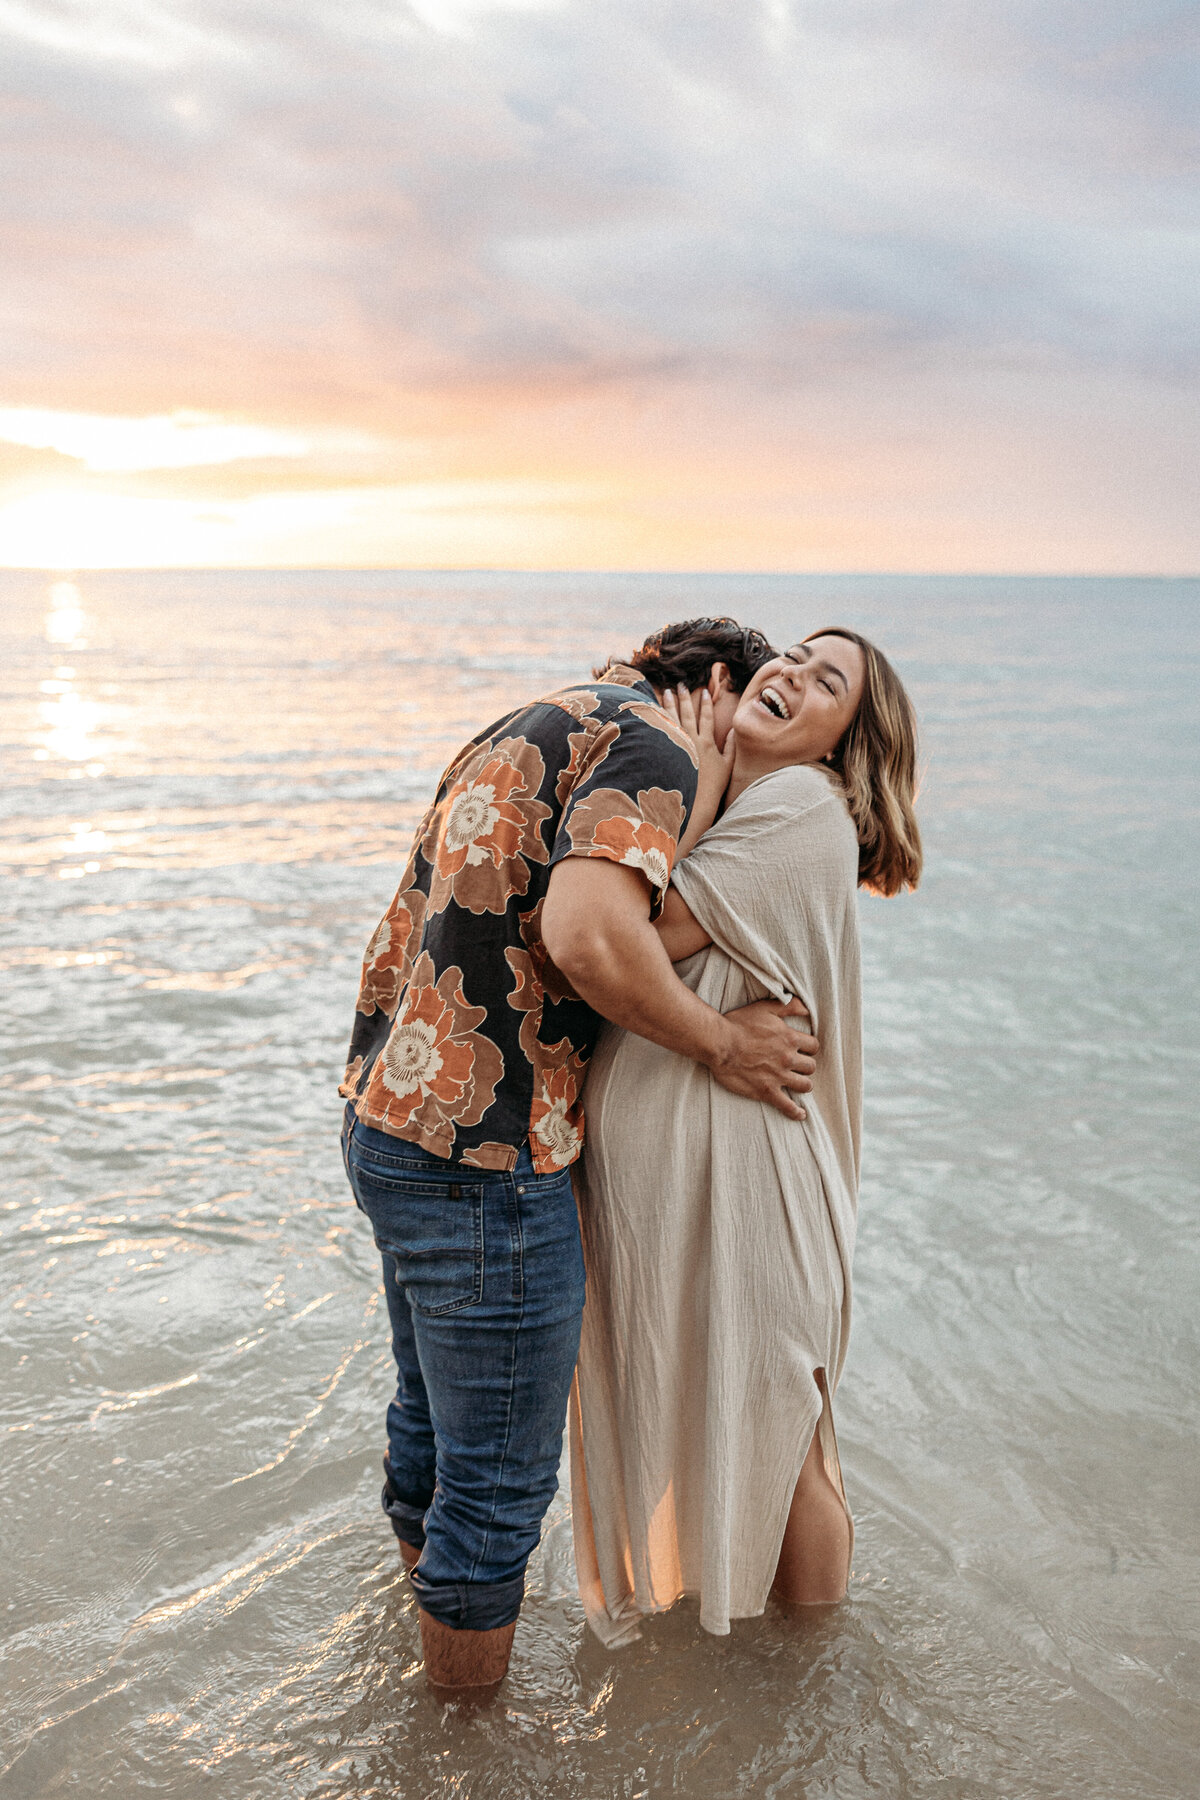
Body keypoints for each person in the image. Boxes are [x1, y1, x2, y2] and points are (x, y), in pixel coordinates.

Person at [338, 618, 821, 1702]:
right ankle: (461, 1743)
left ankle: (423, 1674)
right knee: (500, 1489)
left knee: (429, 1427)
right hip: (486, 1159)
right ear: (715, 687)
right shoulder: (656, 749)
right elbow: (591, 935)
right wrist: (725, 1045)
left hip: (391, 1123)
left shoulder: (537, 719)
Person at [568, 627, 922, 1644]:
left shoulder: (803, 809)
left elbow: (648, 929)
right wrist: (709, 786)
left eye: (828, 684)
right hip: (707, 1178)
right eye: (795, 657)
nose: (794, 678)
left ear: (842, 741)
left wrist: (703, 771)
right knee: (742, 1422)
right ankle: (748, 1667)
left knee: (789, 1433)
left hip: (761, 1180)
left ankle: (816, 1677)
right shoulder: (752, 808)